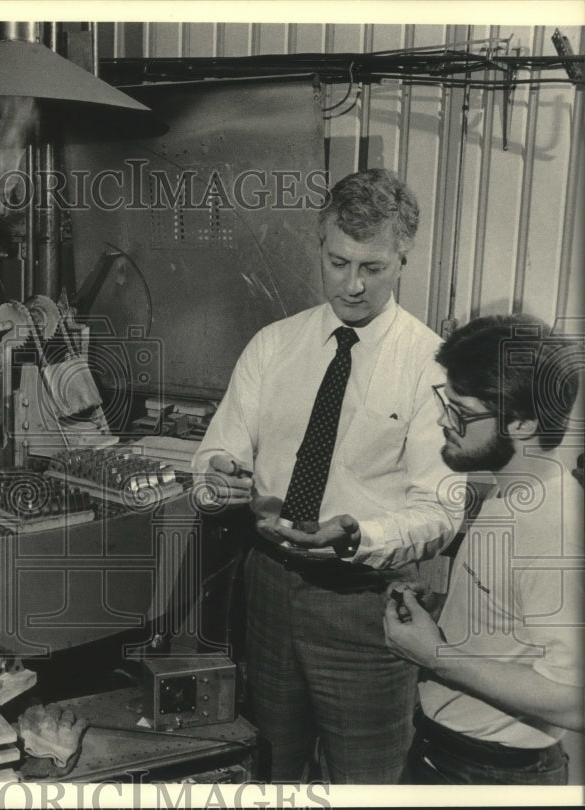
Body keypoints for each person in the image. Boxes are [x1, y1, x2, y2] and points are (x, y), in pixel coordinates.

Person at [192, 168, 463, 783]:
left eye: (373, 268)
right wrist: (218, 479)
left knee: (366, 781)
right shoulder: (273, 346)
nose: (353, 285)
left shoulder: (432, 366)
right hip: (267, 591)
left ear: (403, 259)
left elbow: (441, 511)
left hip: (365, 607)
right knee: (271, 774)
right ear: (320, 246)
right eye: (339, 262)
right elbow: (213, 457)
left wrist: (355, 534)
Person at [384, 314, 583, 785]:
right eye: (444, 402)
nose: (442, 420)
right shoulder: (514, 489)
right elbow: (517, 623)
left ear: (521, 421)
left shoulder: (554, 529)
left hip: (491, 773)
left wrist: (435, 656)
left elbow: (575, 700)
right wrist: (447, 616)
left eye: (461, 412)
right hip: (452, 753)